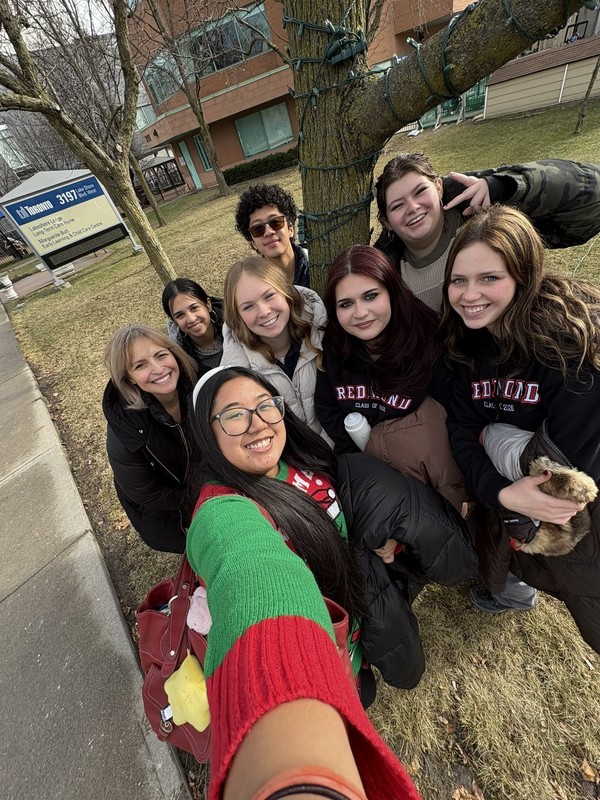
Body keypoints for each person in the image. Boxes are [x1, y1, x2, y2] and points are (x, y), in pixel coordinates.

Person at [185, 365, 463, 798]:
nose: (257, 424)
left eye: (265, 406)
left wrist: (378, 538)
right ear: (208, 433)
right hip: (323, 656)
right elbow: (247, 568)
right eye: (234, 415)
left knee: (367, 688)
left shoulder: (298, 458)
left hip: (357, 623)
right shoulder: (224, 510)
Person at [441, 205, 600, 652]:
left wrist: (495, 440)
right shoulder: (466, 344)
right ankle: (511, 594)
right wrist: (503, 493)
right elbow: (461, 430)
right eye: (459, 280)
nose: (469, 294)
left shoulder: (568, 345)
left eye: (489, 278)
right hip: (513, 499)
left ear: (523, 275)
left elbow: (570, 475)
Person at [315, 244, 465, 512]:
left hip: (432, 475)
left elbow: (451, 413)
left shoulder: (427, 337)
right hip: (369, 474)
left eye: (371, 296)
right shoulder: (335, 345)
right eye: (346, 304)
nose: (360, 313)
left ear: (392, 291)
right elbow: (328, 408)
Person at [374, 153, 600, 311]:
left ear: (439, 187)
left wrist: (506, 187)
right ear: (386, 221)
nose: (413, 207)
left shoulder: (489, 222)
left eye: (420, 191)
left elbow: (592, 196)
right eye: (398, 205)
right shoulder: (385, 276)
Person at [102, 324, 198, 553]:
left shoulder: (197, 387)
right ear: (130, 379)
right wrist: (200, 499)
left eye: (161, 355)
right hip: (168, 512)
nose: (158, 368)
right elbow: (148, 493)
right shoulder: (125, 432)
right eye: (140, 365)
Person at [222, 255, 327, 438]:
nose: (264, 312)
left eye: (269, 296)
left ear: (285, 292)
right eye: (248, 307)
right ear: (238, 316)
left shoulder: (322, 332)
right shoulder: (236, 371)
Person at [235, 183, 309, 286]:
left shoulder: (317, 262)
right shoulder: (255, 287)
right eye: (258, 229)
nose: (268, 232)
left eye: (275, 222)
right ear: (253, 243)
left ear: (290, 229)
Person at [161, 277, 224, 377]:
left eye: (194, 308)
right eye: (180, 315)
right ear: (174, 321)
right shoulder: (178, 358)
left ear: (208, 305)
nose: (191, 319)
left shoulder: (238, 326)